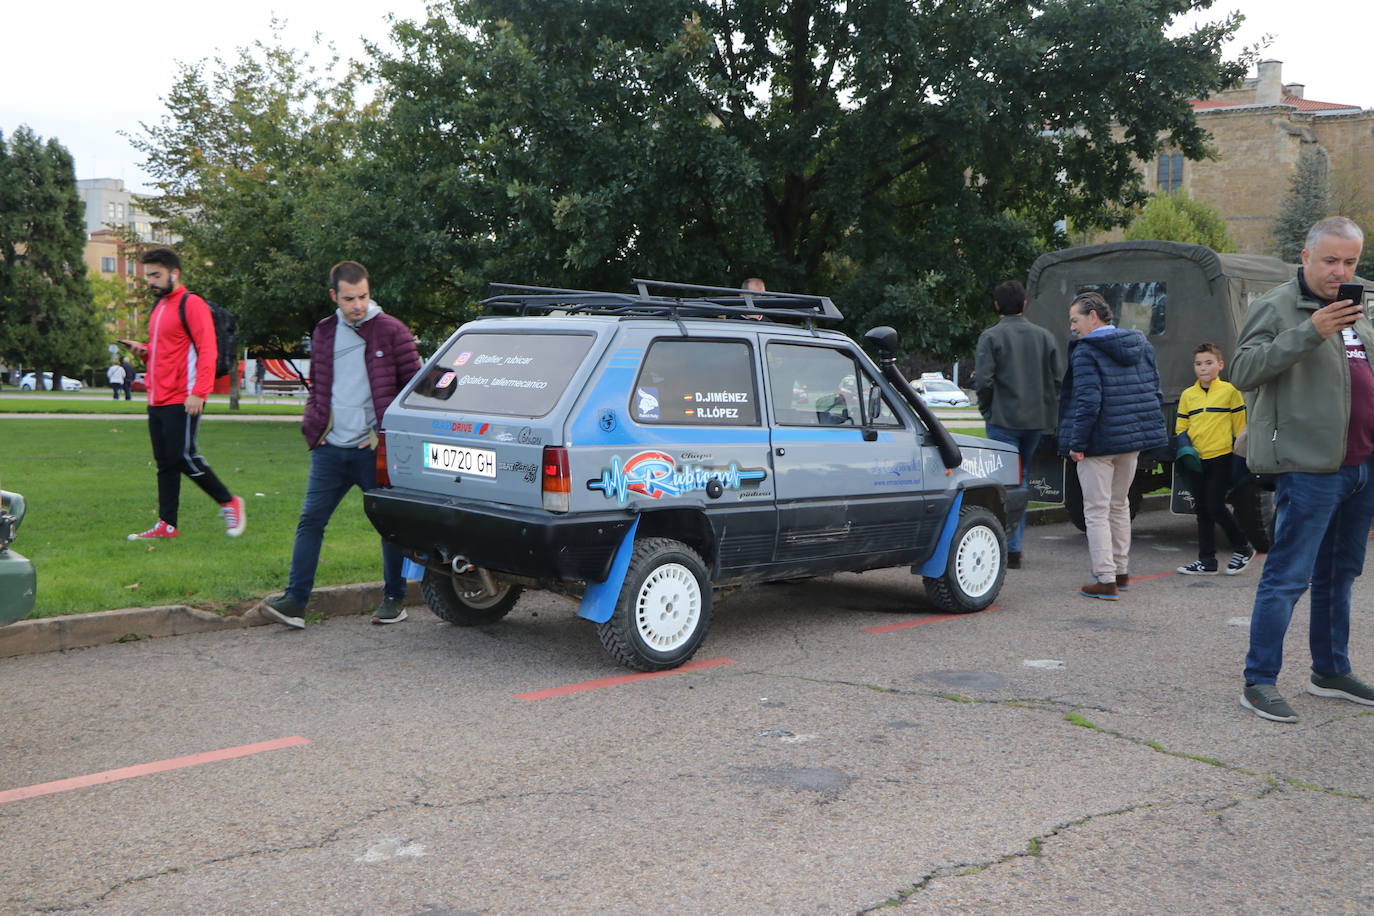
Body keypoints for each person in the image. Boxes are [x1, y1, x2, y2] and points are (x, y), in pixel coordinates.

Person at [1230, 216, 1374, 723]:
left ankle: (1330, 671)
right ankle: (1259, 681)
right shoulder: (1275, 307)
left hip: (1361, 465)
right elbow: (1243, 372)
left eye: (1350, 261)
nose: (1340, 271)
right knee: (1288, 577)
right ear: (1306, 257)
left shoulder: (1361, 310)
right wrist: (1309, 332)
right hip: (1310, 469)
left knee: (1342, 574)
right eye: (1330, 260)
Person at [258, 261, 422, 629]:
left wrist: (385, 432)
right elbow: (319, 384)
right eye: (349, 298)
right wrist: (314, 425)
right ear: (335, 296)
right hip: (330, 449)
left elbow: (412, 388)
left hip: (373, 450)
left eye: (363, 296)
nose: (358, 305)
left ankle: (394, 598)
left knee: (390, 525)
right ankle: (296, 602)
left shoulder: (392, 331)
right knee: (310, 521)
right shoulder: (325, 331)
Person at [125, 248, 244, 541]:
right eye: (147, 276)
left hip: (184, 396)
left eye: (156, 275)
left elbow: (207, 349)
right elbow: (166, 352)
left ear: (173, 273)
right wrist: (144, 352)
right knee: (165, 463)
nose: (150, 281)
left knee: (183, 457)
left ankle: (229, 502)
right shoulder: (159, 308)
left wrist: (199, 392)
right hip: (157, 398)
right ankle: (167, 524)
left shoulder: (191, 304)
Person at [1056, 291, 1167, 600]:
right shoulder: (1141, 345)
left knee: (1096, 509)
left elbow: (1087, 402)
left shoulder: (1086, 351)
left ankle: (1104, 579)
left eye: (1075, 320)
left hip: (1098, 442)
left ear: (1093, 316)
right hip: (1130, 439)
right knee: (1120, 505)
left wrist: (1076, 442)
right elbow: (1152, 391)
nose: (1073, 328)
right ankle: (1121, 571)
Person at [974, 280, 1063, 568]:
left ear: (996, 305)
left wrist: (987, 410)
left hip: (1003, 419)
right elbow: (1058, 380)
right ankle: (1014, 547)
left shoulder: (991, 336)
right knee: (1021, 479)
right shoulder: (1045, 337)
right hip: (1036, 422)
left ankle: (1004, 545)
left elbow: (984, 381)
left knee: (1002, 483)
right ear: (1025, 305)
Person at [1173, 342, 1253, 576]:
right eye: (1198, 364)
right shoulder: (1188, 395)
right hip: (1197, 461)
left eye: (1208, 363)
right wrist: (1186, 450)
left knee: (1216, 506)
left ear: (1220, 365)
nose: (1203, 368)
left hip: (1221, 458)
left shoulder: (1230, 391)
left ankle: (1243, 547)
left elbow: (1241, 429)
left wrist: (1240, 459)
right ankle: (1206, 561)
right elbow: (1181, 427)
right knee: (1202, 510)